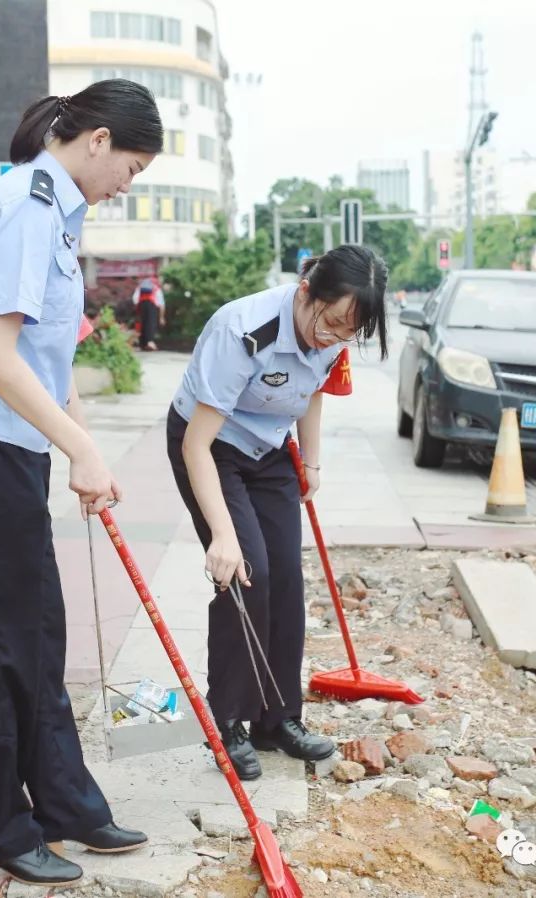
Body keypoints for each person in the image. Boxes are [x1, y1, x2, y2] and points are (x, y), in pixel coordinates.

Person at [0, 79, 163, 886]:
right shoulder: (24, 209)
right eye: (130, 165)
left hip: (10, 449)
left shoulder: (60, 213)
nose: (130, 183)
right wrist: (79, 454)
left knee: (37, 634)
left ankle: (64, 801)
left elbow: (48, 361)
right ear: (96, 141)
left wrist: (79, 446)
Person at [166, 246, 389, 781]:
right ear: (308, 290)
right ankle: (231, 722)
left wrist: (311, 462)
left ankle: (278, 719)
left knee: (287, 579)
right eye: (330, 323)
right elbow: (196, 445)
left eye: (346, 333)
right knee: (248, 574)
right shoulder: (244, 330)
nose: (332, 338)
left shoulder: (334, 333)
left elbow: (313, 392)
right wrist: (222, 536)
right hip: (211, 446)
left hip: (270, 450)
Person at [133, 275, 165, 350]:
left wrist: (137, 311)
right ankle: (150, 342)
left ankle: (142, 344)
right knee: (151, 324)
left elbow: (135, 299)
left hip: (141, 305)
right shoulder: (156, 288)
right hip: (152, 306)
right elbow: (162, 304)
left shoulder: (140, 288)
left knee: (142, 324)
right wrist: (161, 317)